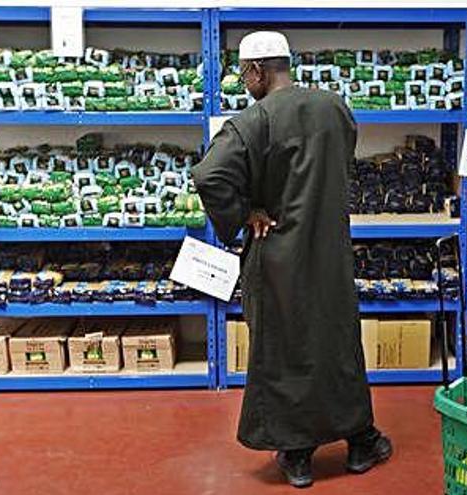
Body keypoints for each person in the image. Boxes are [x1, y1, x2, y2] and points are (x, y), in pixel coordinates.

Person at [191, 31, 392, 488]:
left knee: (283, 349)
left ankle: (297, 454)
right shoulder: (334, 107)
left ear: (257, 71)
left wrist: (246, 213)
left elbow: (209, 175)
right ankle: (361, 442)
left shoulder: (254, 121)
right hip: (332, 252)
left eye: (245, 75)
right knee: (338, 344)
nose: (245, 84)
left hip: (279, 255)